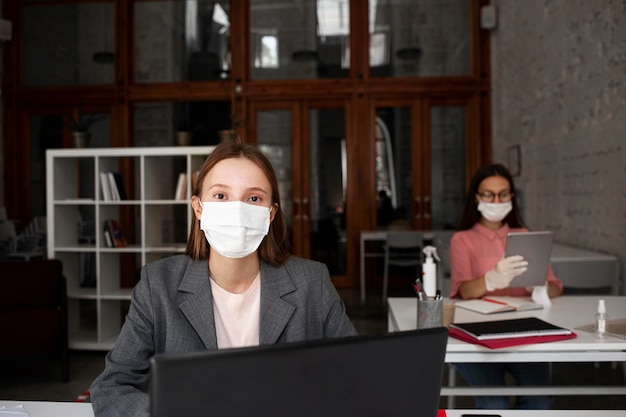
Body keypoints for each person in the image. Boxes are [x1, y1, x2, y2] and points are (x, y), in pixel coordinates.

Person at [90, 139, 357, 417]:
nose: (237, 210)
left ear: (271, 213)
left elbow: (354, 376)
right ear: (198, 208)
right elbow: (113, 385)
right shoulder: (157, 285)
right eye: (220, 196)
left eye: (254, 198)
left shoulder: (312, 282)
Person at [449, 163, 563, 410]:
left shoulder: (526, 235)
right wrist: (490, 280)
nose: (496, 200)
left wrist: (538, 286)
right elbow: (463, 291)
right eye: (488, 194)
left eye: (503, 193)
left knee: (538, 399)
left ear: (512, 196)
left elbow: (556, 287)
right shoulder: (463, 239)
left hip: (523, 333)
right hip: (477, 337)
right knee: (494, 402)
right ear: (477, 197)